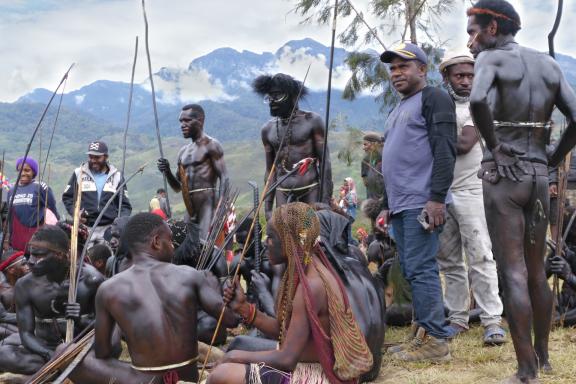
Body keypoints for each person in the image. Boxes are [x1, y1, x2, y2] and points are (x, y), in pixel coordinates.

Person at [467, 0, 576, 381]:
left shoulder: (490, 60)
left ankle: (527, 370)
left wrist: (494, 145)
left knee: (511, 272)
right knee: (534, 273)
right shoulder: (549, 65)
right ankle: (543, 358)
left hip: (504, 177)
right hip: (537, 176)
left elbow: (477, 99)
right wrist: (552, 157)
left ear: (493, 29)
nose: (470, 41)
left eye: (473, 31)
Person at [208, 202, 373, 384]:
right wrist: (244, 309)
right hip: (307, 366)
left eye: (270, 237)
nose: (265, 243)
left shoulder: (311, 286)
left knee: (221, 375)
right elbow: (286, 332)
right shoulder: (307, 268)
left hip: (317, 376)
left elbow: (287, 359)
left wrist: (234, 356)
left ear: (288, 240)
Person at [69, 213, 239, 384]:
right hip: (188, 377)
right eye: (170, 241)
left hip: (145, 381)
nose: (173, 247)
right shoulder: (190, 275)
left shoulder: (109, 288)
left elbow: (104, 352)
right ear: (156, 242)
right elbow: (231, 320)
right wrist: (233, 298)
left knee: (64, 352)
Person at [375, 42, 456, 362]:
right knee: (410, 268)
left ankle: (436, 340)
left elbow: (445, 150)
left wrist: (437, 199)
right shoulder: (399, 107)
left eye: (403, 66)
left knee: (421, 268)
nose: (396, 73)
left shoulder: (434, 98)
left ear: (422, 70)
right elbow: (393, 161)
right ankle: (421, 335)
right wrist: (385, 203)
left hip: (423, 202)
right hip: (400, 204)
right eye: (392, 68)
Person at [435, 53, 506, 344]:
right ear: (446, 77)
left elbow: (464, 145)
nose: (465, 81)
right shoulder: (438, 107)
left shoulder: (480, 107)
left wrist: (433, 134)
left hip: (472, 191)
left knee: (480, 256)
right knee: (448, 260)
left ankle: (492, 321)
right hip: (440, 194)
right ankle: (458, 318)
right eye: (458, 75)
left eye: (470, 75)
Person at [0, 225, 104, 374]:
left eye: (38, 256)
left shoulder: (90, 280)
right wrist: (51, 356)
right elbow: (26, 335)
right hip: (46, 351)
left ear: (59, 256)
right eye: (30, 255)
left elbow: (105, 330)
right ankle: (66, 371)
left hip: (81, 350)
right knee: (4, 355)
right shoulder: (25, 285)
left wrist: (80, 320)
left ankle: (66, 371)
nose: (30, 261)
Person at [253, 73, 333, 221]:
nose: (272, 101)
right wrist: (268, 207)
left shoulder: (312, 121)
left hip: (311, 191)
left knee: (309, 237)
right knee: (285, 240)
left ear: (292, 96)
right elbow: (270, 171)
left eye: (277, 96)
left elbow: (325, 162)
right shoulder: (267, 129)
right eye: (269, 97)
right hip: (282, 192)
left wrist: (325, 199)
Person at [157, 104, 228, 239]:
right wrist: (167, 172)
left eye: (187, 120)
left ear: (200, 120)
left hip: (208, 204)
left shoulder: (211, 145)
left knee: (205, 246)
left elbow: (224, 178)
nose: (182, 125)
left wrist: (221, 208)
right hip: (190, 208)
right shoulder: (183, 152)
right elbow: (178, 187)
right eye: (181, 121)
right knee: (187, 246)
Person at [62, 141, 132, 248]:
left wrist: (118, 225)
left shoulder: (117, 176)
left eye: (97, 157)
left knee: (108, 261)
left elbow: (125, 206)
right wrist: (75, 213)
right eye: (91, 157)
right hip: (85, 228)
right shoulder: (79, 173)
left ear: (106, 157)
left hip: (108, 229)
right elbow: (68, 197)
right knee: (84, 261)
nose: (93, 160)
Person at [6, 157, 59, 251]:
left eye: (27, 170)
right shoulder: (11, 190)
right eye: (20, 170)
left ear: (33, 172)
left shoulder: (41, 187)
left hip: (36, 240)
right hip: (17, 242)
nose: (23, 173)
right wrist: (9, 240)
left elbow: (53, 212)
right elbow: (10, 217)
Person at [0, 250, 29, 338]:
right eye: (24, 264)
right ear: (11, 270)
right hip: (10, 330)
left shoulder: (30, 286)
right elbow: (2, 317)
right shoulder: (2, 292)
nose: (28, 267)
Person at [361, 132, 385, 200]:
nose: (363, 148)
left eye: (365, 144)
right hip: (372, 200)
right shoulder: (367, 160)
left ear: (375, 144)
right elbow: (365, 182)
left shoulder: (385, 158)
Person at [339, 177, 358, 245]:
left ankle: (355, 244)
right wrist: (341, 194)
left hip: (349, 215)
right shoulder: (347, 193)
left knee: (348, 233)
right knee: (345, 232)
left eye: (347, 185)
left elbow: (350, 205)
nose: (345, 186)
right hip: (345, 215)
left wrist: (343, 197)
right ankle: (354, 244)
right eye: (344, 185)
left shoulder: (352, 193)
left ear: (351, 185)